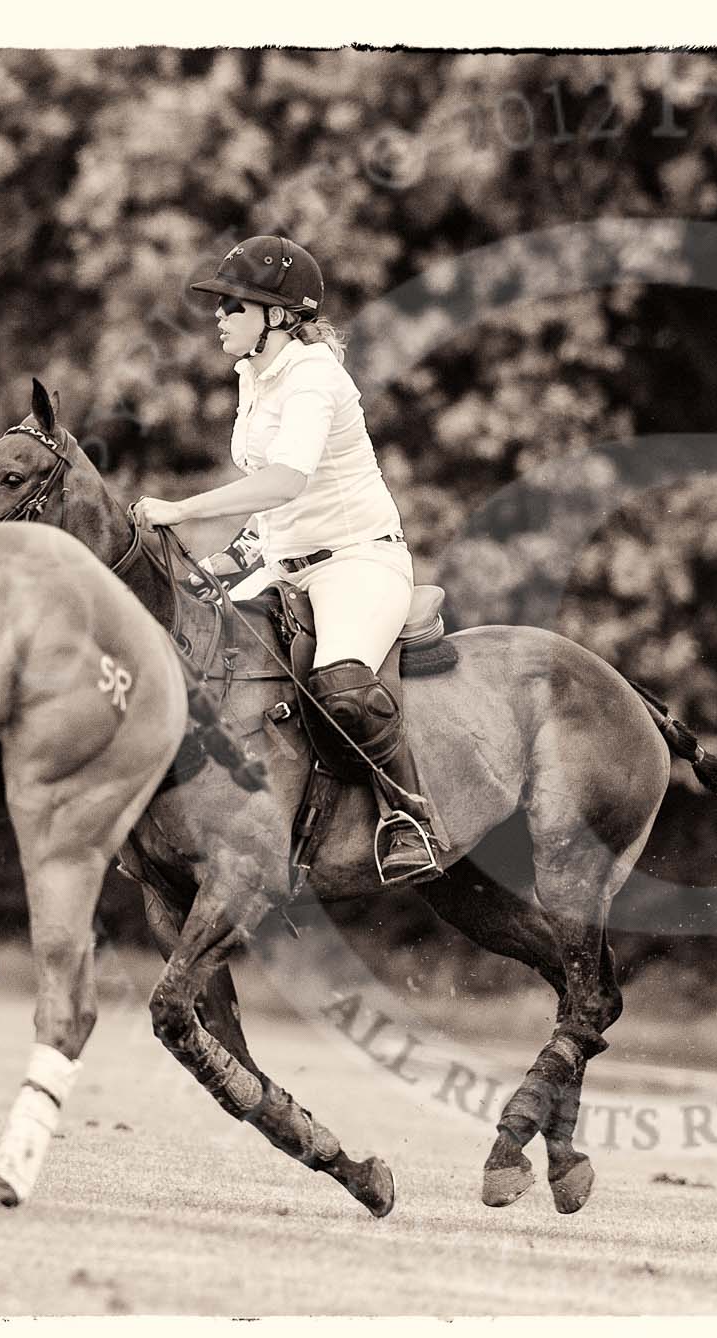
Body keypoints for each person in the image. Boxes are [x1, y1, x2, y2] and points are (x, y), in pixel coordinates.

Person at [130, 234, 447, 883]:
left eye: (233, 306)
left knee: (340, 682)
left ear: (277, 314)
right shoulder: (252, 373)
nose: (218, 318)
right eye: (220, 307)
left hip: (356, 562)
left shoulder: (314, 377)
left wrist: (185, 511)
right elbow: (274, 504)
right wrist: (237, 554)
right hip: (285, 562)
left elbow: (286, 480)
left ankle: (409, 816)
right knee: (207, 660)